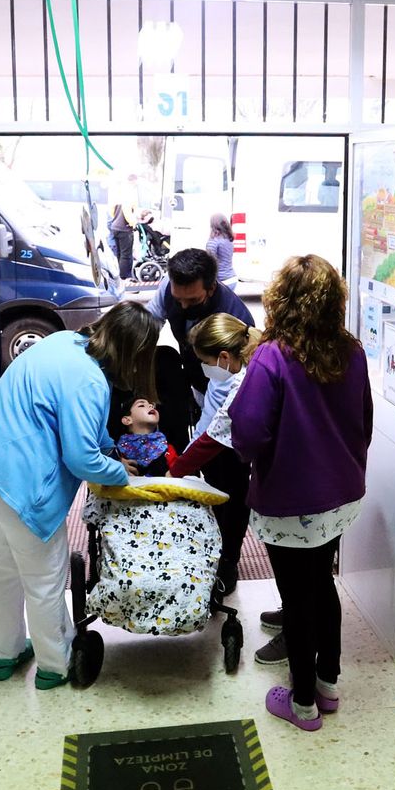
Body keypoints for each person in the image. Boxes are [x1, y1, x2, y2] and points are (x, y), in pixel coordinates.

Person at [0, 302, 159, 689]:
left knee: (1, 568)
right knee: (44, 579)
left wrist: (111, 451)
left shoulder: (63, 342)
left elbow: (82, 427)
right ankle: (55, 664)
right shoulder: (91, 381)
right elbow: (81, 458)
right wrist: (119, 474)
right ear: (134, 352)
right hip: (20, 487)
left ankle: (4, 654)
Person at [228, 255, 373, 732]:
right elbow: (364, 421)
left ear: (280, 301)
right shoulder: (350, 350)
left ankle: (303, 702)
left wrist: (255, 458)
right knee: (323, 584)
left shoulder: (273, 355)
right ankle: (328, 685)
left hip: (291, 499)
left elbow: (247, 430)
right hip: (339, 496)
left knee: (296, 597)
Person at [147, 248, 255, 591]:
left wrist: (176, 470)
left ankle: (228, 562)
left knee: (229, 485)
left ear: (210, 288)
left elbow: (217, 427)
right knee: (195, 469)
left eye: (191, 301)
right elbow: (147, 327)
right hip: (199, 389)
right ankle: (193, 550)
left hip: (229, 402)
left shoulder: (236, 321)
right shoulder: (171, 290)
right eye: (177, 299)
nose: (181, 306)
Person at [170, 314, 267, 607]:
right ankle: (213, 556)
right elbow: (208, 417)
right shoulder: (226, 370)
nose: (204, 368)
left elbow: (216, 434)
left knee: (234, 505)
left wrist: (175, 470)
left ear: (223, 357)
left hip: (235, 450)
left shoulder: (244, 381)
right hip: (215, 443)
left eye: (205, 362)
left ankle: (227, 563)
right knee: (216, 501)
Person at [112, 397, 175, 476]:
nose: (151, 406)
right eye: (141, 405)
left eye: (152, 406)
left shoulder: (168, 449)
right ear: (127, 420)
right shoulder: (115, 452)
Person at [206, 213, 238, 290]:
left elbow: (210, 264)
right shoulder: (228, 239)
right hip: (232, 279)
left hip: (221, 281)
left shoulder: (213, 241)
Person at [106, 199, 134, 281]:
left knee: (119, 254)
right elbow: (128, 214)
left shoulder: (118, 200)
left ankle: (118, 274)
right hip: (124, 228)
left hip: (115, 227)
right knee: (126, 254)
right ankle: (124, 276)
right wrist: (133, 223)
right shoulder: (128, 201)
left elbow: (112, 212)